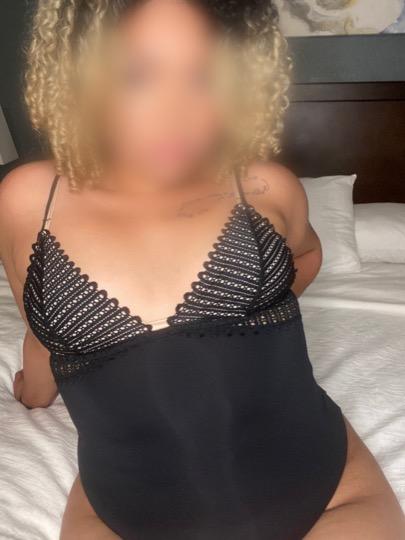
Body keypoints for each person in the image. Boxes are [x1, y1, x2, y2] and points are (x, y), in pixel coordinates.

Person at [0, 1, 404, 538]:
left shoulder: (264, 186)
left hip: (329, 493)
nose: (177, 111)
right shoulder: (28, 200)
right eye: (136, 73)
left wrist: (258, 304)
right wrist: (35, 390)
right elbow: (42, 321)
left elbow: (306, 255)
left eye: (204, 75)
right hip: (118, 514)